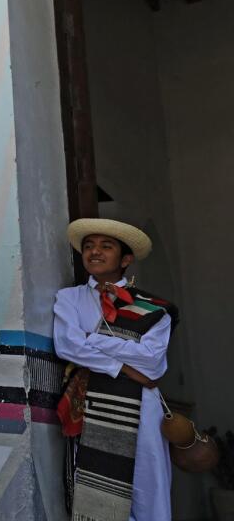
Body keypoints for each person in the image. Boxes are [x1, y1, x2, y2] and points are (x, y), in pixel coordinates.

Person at [54, 219, 176, 521]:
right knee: (97, 491)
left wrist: (93, 339)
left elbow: (151, 361)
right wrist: (123, 365)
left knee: (150, 489)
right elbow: (67, 346)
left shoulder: (155, 309)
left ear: (125, 259)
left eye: (105, 246)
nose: (94, 252)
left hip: (142, 406)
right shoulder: (69, 298)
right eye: (89, 246)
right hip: (91, 404)